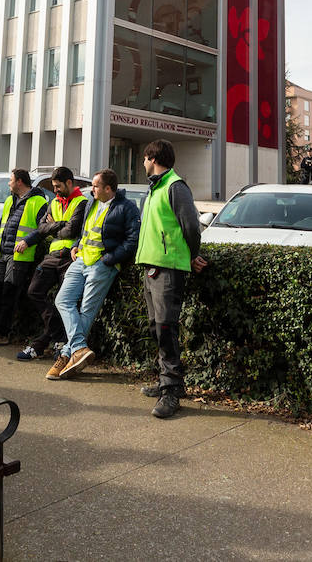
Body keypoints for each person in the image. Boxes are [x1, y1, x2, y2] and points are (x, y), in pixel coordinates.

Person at [134, 139, 206, 419]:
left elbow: (191, 226)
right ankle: (167, 381)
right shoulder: (156, 188)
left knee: (166, 328)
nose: (142, 163)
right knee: (156, 327)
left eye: (143, 158)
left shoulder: (175, 186)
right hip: (153, 266)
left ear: (152, 157)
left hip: (168, 269)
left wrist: (192, 255)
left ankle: (173, 390)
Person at [48, 169, 140, 381]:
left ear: (108, 188)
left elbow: (132, 240)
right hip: (81, 260)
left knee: (86, 311)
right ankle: (79, 348)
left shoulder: (127, 208)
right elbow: (85, 232)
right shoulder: (91, 203)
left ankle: (65, 355)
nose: (92, 189)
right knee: (62, 300)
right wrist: (77, 245)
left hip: (102, 265)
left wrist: (109, 259)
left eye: (96, 186)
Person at [18, 167, 87, 361]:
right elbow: (41, 228)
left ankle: (42, 344)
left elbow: (72, 231)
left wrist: (53, 226)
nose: (55, 191)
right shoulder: (54, 202)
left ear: (69, 183)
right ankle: (58, 338)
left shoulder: (82, 202)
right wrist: (60, 224)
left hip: (68, 258)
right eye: (53, 187)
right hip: (52, 256)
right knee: (34, 291)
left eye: (58, 187)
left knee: (63, 301)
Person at [0, 169, 47, 348]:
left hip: (20, 256)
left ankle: (1, 334)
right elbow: (1, 223)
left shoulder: (38, 201)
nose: (8, 183)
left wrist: (27, 241)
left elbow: (43, 229)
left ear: (19, 182)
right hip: (2, 253)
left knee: (9, 294)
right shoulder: (10, 199)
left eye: (10, 180)